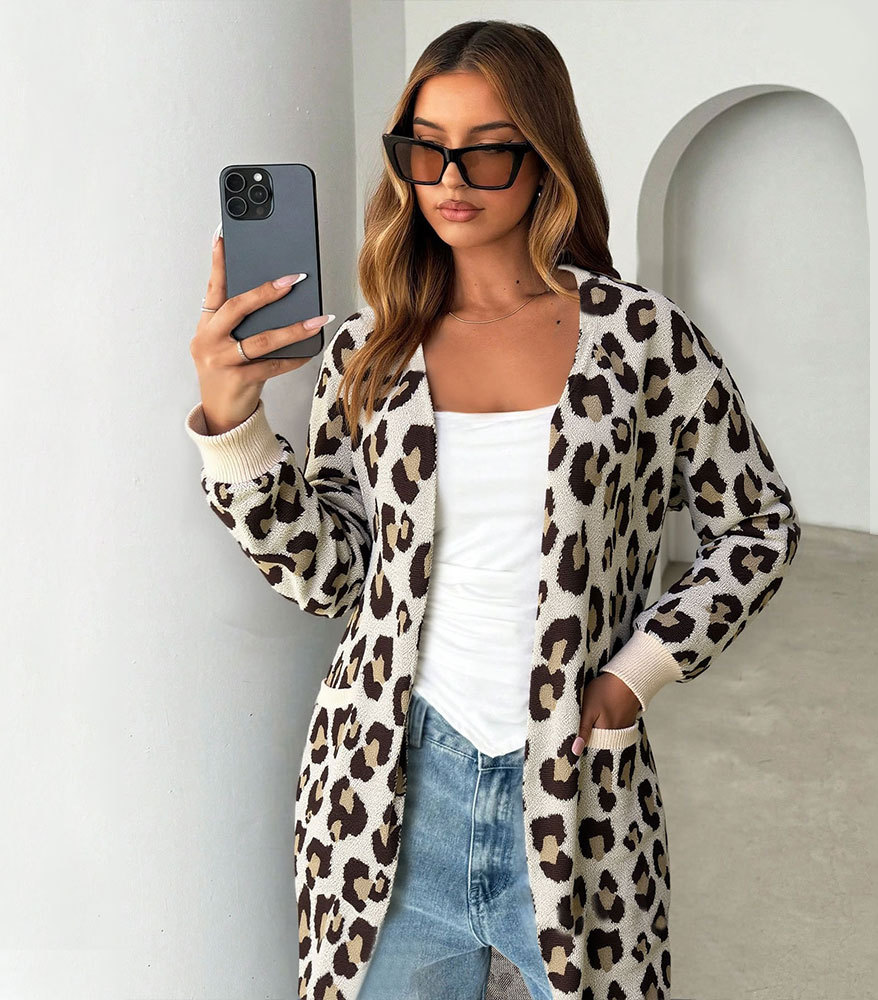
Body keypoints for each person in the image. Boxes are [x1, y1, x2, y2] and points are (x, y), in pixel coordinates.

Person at [185, 19, 801, 1000]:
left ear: (546, 154)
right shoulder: (368, 350)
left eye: (487, 150)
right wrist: (234, 422)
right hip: (388, 793)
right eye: (425, 148)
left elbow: (756, 526)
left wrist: (633, 677)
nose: (449, 178)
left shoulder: (640, 338)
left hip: (578, 793)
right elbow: (332, 577)